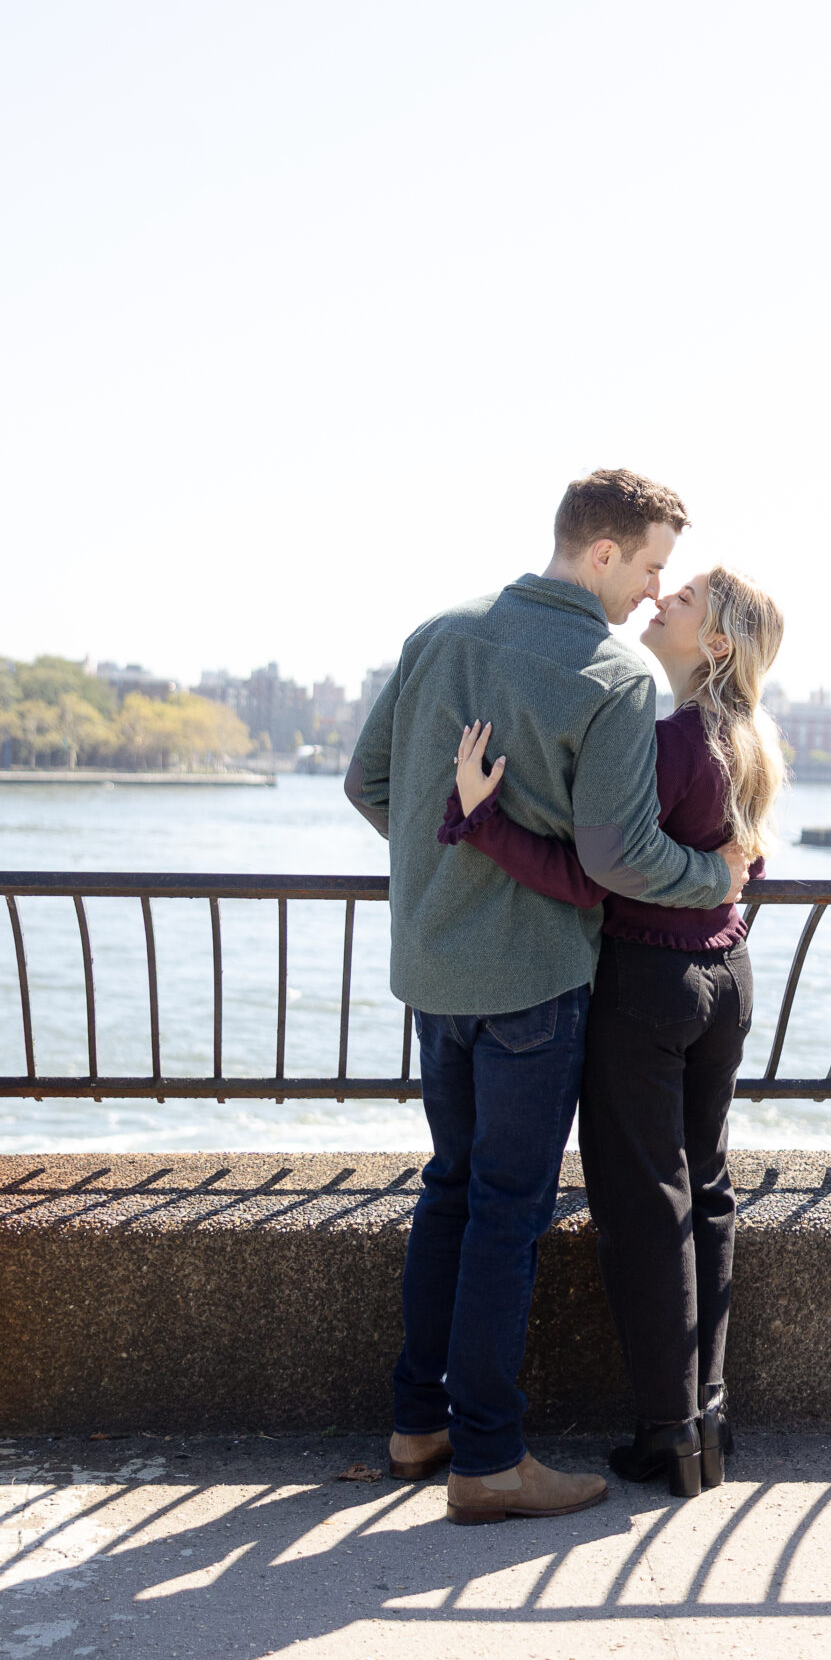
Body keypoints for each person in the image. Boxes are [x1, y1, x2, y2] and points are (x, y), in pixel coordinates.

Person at [345, 471, 746, 1525]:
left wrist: (448, 871)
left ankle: (414, 1422)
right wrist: (716, 880)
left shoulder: (439, 632)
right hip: (536, 977)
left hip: (435, 970)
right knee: (507, 1213)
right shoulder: (610, 673)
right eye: (653, 564)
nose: (655, 588)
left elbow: (368, 783)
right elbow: (618, 857)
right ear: (605, 553)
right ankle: (486, 1457)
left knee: (451, 1186)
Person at [442, 565, 785, 1498]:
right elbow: (722, 862)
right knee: (704, 1193)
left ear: (715, 643)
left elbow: (601, 875)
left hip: (649, 984)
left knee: (645, 1209)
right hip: (725, 975)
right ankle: (706, 1422)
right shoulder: (747, 738)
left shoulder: (671, 736)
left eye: (683, 602)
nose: (659, 600)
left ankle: (669, 1437)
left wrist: (479, 824)